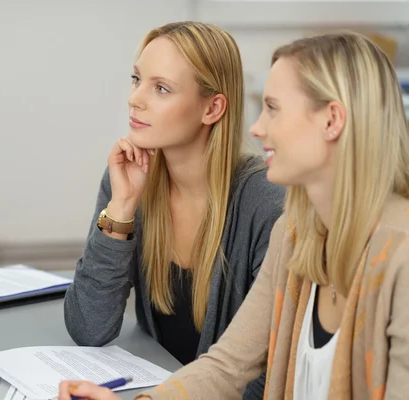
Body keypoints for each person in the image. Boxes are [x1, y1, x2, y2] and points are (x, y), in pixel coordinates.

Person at [58, 30, 409, 400]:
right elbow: (228, 366)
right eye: (137, 80)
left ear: (331, 120)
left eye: (272, 108)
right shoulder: (295, 232)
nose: (256, 129)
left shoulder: (396, 254)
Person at [62, 21, 285, 399]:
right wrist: (122, 208)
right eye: (137, 80)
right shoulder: (130, 179)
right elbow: (89, 327)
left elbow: (264, 377)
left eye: (161, 88)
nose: (135, 99)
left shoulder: (265, 202)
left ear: (212, 108)